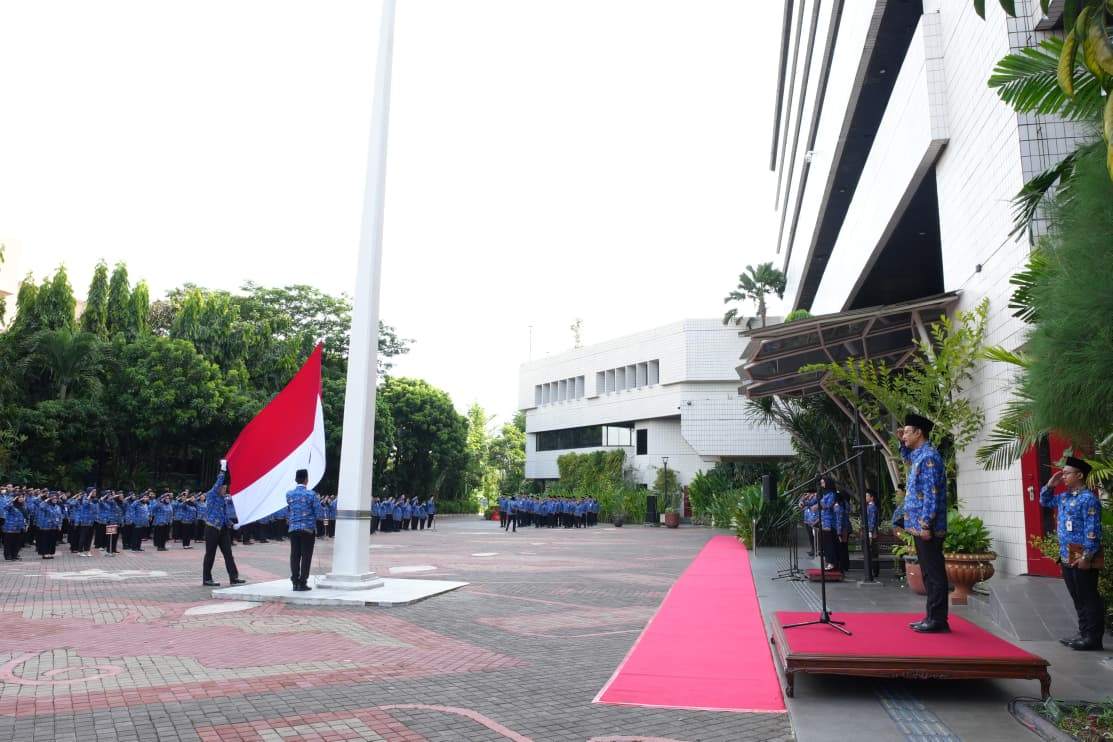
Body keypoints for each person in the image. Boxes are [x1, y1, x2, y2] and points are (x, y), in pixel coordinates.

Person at [1040, 457, 1104, 651]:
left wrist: (1087, 556)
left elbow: (1092, 530)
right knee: (1077, 596)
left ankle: (1093, 638)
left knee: (1088, 596)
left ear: (1079, 475)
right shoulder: (1065, 497)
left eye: (1067, 473)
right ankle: (1083, 633)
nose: (1063, 476)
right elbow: (1044, 501)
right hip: (1067, 553)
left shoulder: (1088, 499)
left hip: (1081, 553)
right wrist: (1050, 485)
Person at [900, 414, 949, 633]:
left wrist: (926, 524)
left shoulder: (929, 458)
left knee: (934, 573)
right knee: (928, 573)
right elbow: (906, 455)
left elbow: (931, 494)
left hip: (926, 527)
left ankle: (938, 619)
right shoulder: (919, 456)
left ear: (919, 432)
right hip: (919, 526)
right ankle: (931, 616)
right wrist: (902, 443)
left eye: (906, 432)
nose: (903, 436)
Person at [201, 462, 245, 588]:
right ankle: (207, 579)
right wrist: (223, 470)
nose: (225, 490)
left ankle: (233, 577)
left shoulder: (223, 500)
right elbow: (218, 483)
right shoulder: (212, 494)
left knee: (228, 553)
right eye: (223, 488)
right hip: (212, 528)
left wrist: (232, 524)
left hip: (223, 529)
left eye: (226, 488)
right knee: (210, 554)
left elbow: (224, 515)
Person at [286, 468, 323, 591]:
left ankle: (295, 581)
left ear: (296, 479)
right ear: (306, 480)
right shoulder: (311, 494)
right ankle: (302, 582)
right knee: (306, 556)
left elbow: (290, 509)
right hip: (307, 529)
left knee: (294, 555)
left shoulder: (289, 494)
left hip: (293, 528)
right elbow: (319, 513)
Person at [34, 493, 63, 559]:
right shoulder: (46, 505)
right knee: (45, 540)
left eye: (56, 498)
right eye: (53, 498)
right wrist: (46, 500)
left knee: (52, 540)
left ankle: (50, 553)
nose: (55, 500)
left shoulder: (57, 507)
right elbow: (41, 506)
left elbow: (60, 516)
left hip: (54, 526)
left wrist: (60, 524)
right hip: (46, 526)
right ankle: (45, 553)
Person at [2, 492, 28, 560]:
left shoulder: (23, 506)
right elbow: (5, 507)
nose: (21, 498)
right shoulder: (12, 505)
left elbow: (25, 516)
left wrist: (26, 525)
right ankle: (8, 555)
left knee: (17, 542)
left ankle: (14, 555)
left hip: (20, 527)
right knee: (9, 542)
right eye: (20, 497)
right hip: (10, 527)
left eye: (22, 497)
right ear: (16, 498)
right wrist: (12, 500)